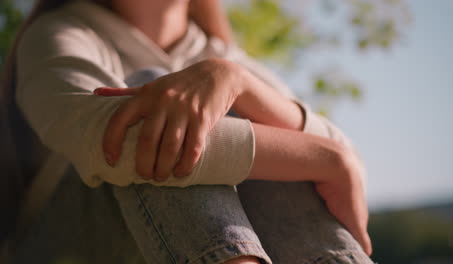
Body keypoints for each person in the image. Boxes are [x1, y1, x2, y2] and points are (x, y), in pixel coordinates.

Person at [0, 0, 373, 263]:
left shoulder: (227, 57)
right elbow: (120, 145)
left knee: (262, 134)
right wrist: (328, 159)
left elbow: (342, 168)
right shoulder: (60, 34)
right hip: (66, 246)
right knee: (160, 115)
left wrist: (237, 80)